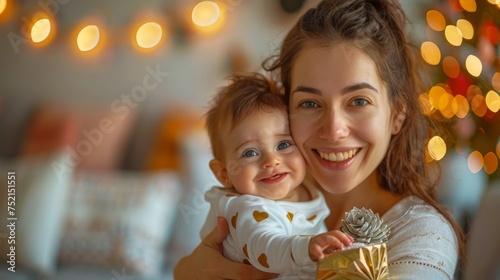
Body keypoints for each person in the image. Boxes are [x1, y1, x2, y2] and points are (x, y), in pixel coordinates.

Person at [174, 0, 466, 279]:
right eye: (310, 103)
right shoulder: (261, 196)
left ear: (397, 113)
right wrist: (186, 271)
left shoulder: (423, 234)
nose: (334, 130)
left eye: (359, 101)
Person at [200, 72, 353, 279]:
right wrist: (307, 246)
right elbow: (265, 247)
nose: (271, 161)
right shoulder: (247, 208)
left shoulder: (305, 187)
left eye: (283, 145)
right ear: (225, 174)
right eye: (250, 152)